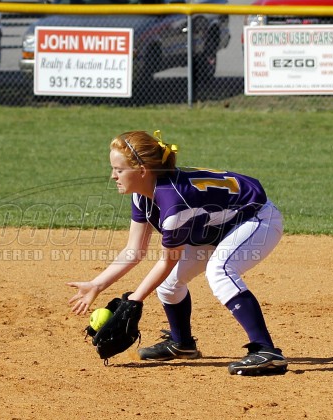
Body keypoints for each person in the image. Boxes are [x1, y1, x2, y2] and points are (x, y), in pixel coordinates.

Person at [67, 130, 288, 375]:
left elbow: (168, 261)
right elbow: (134, 251)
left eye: (119, 170)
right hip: (216, 225)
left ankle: (266, 351)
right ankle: (181, 343)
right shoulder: (142, 195)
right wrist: (97, 285)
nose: (113, 176)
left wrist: (134, 300)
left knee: (220, 270)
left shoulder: (174, 204)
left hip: (256, 218)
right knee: (168, 285)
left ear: (142, 170)